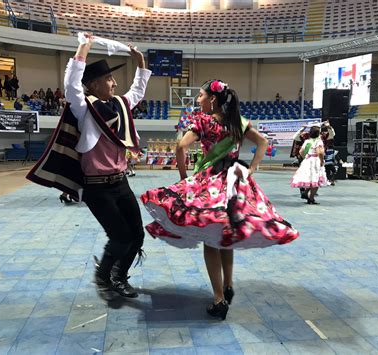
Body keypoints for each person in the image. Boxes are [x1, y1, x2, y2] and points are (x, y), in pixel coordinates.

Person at [141, 79, 300, 320]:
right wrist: (252, 169)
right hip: (235, 184)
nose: (198, 100)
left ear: (212, 99)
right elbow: (263, 142)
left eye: (201, 95)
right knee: (226, 234)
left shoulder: (203, 122)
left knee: (211, 239)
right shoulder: (238, 122)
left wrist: (184, 180)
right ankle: (228, 285)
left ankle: (218, 300)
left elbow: (180, 146)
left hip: (211, 183)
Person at [26, 32, 151, 300]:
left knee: (137, 236)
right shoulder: (84, 109)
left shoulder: (119, 106)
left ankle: (118, 276)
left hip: (121, 183)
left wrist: (141, 63)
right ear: (93, 85)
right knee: (120, 237)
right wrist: (83, 48)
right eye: (109, 79)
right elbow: (72, 85)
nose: (115, 83)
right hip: (98, 189)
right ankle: (104, 276)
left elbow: (137, 92)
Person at [290, 124, 329, 204]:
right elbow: (320, 152)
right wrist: (321, 161)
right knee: (316, 179)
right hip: (315, 161)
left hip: (308, 160)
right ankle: (311, 198)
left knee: (311, 178)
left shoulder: (307, 141)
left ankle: (306, 192)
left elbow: (301, 152)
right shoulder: (318, 141)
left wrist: (306, 157)